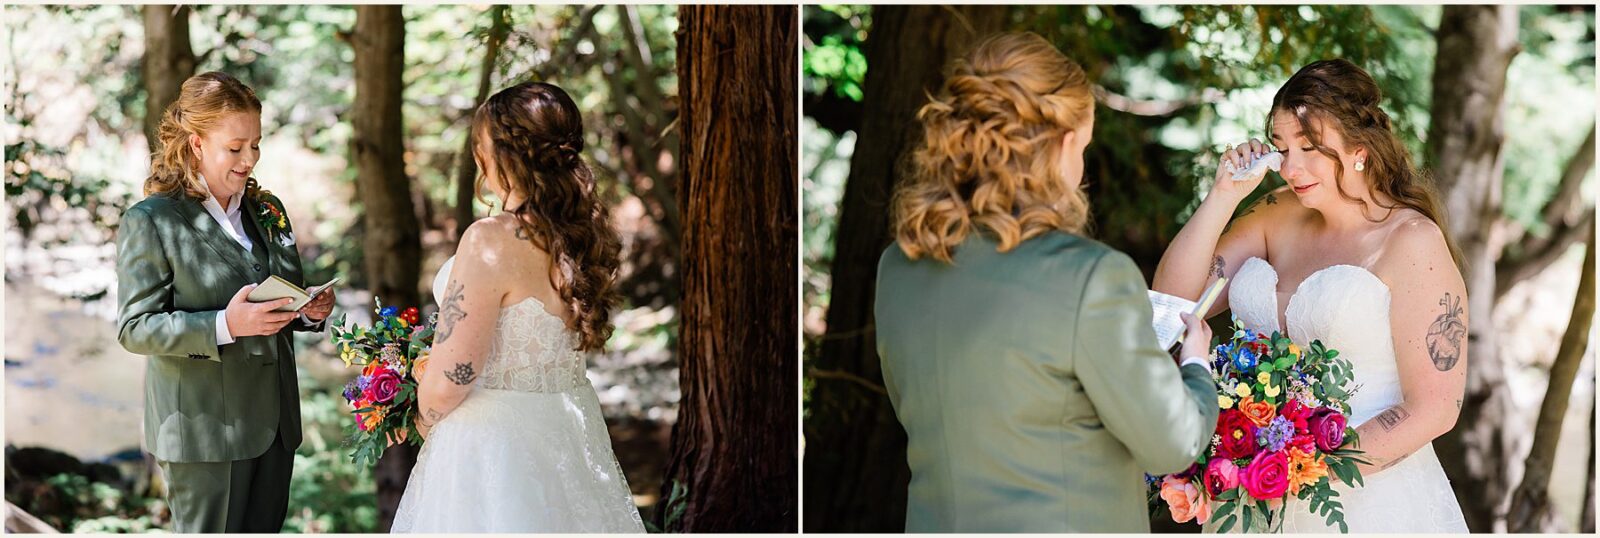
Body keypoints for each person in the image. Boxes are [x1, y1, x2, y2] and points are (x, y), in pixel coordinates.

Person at [875, 32, 1220, 533]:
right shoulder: (1089, 277)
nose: (1080, 168)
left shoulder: (897, 267)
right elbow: (1171, 442)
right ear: (1060, 146)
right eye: (1082, 145)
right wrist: (1194, 362)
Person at [1153, 59, 1469, 532]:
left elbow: (1437, 407)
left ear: (1360, 149)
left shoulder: (1411, 241)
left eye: (1310, 148)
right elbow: (1173, 305)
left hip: (1365, 503)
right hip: (1250, 496)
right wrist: (1222, 197)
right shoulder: (1274, 213)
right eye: (1281, 148)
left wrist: (1305, 470)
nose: (1290, 167)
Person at [390, 81, 645, 533]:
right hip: (568, 433)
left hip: (490, 449)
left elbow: (452, 381)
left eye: (480, 144)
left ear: (506, 155)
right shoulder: (582, 236)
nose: (476, 156)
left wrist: (420, 416)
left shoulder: (490, 239)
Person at [115, 71, 334, 533]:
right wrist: (225, 324)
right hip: (204, 437)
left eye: (255, 144)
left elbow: (278, 301)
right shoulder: (152, 220)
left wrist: (307, 312)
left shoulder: (268, 210)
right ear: (196, 144)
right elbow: (134, 327)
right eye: (235, 148)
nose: (249, 159)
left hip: (275, 429)